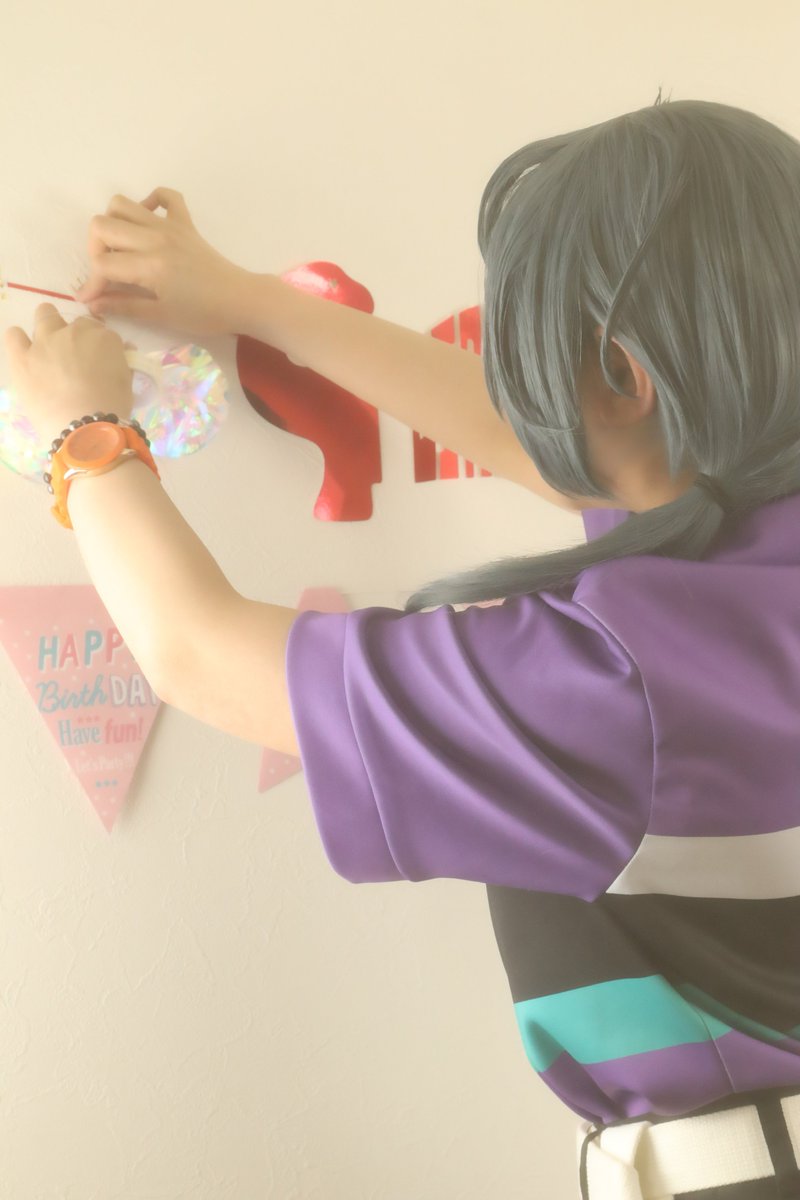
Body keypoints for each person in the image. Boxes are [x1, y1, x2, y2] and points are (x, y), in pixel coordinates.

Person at [6, 92, 800, 1198]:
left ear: (622, 380)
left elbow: (196, 650)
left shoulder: (618, 682)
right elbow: (548, 446)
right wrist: (243, 300)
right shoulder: (739, 564)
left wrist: (81, 433)